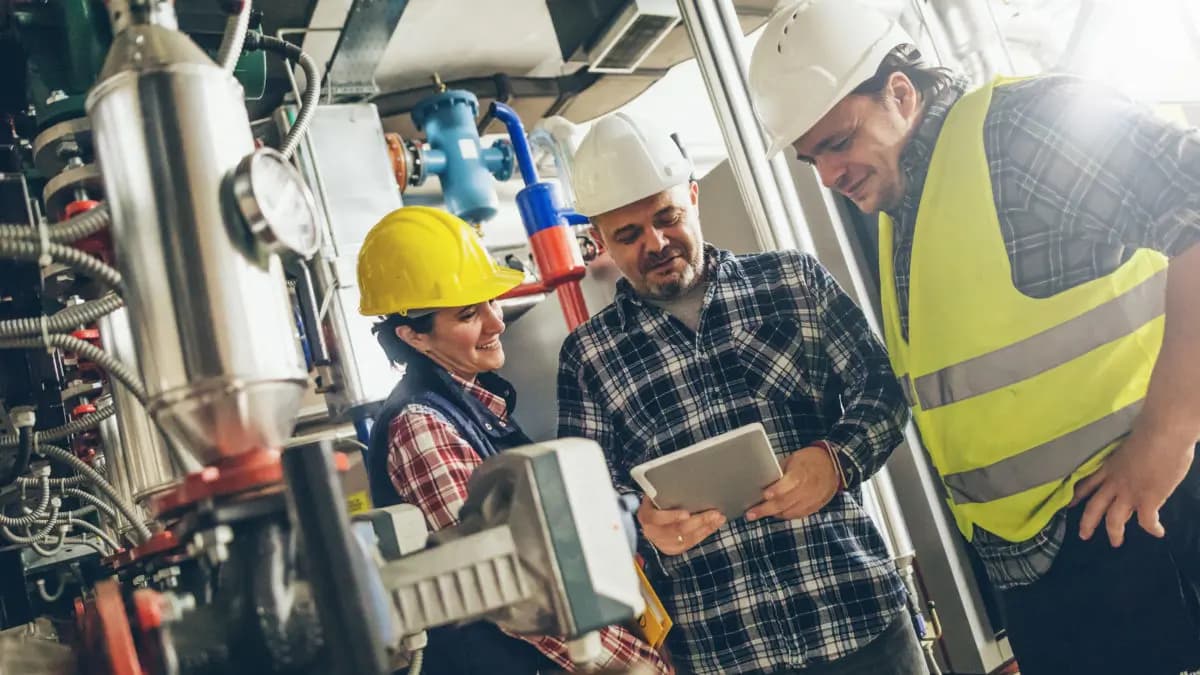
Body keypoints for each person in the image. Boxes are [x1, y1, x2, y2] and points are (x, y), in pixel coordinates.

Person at [747, 2, 1200, 674]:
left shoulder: (1021, 131)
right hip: (1053, 576)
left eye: (838, 142)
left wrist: (1168, 434)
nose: (828, 175)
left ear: (900, 93)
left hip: (1143, 526)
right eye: (811, 157)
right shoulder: (907, 205)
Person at [556, 112, 924, 675]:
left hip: (859, 619)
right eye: (628, 234)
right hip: (728, 650)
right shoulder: (589, 358)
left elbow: (883, 387)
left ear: (693, 197)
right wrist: (639, 521)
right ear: (599, 239)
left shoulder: (792, 282)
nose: (655, 242)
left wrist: (837, 461)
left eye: (667, 216)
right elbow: (583, 498)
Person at [356, 205, 668, 675]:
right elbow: (518, 594)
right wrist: (643, 667)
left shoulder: (477, 406)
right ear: (413, 336)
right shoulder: (422, 428)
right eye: (468, 314)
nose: (496, 322)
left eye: (491, 301)